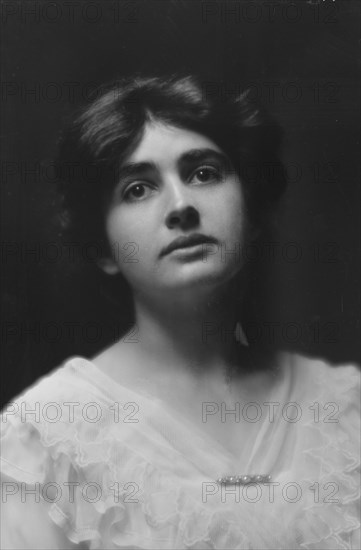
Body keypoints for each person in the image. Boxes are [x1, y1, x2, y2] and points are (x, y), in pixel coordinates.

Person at [1, 74, 359, 549]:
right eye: (137, 189)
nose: (181, 205)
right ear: (102, 248)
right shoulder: (44, 435)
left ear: (251, 212)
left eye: (204, 173)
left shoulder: (346, 407)